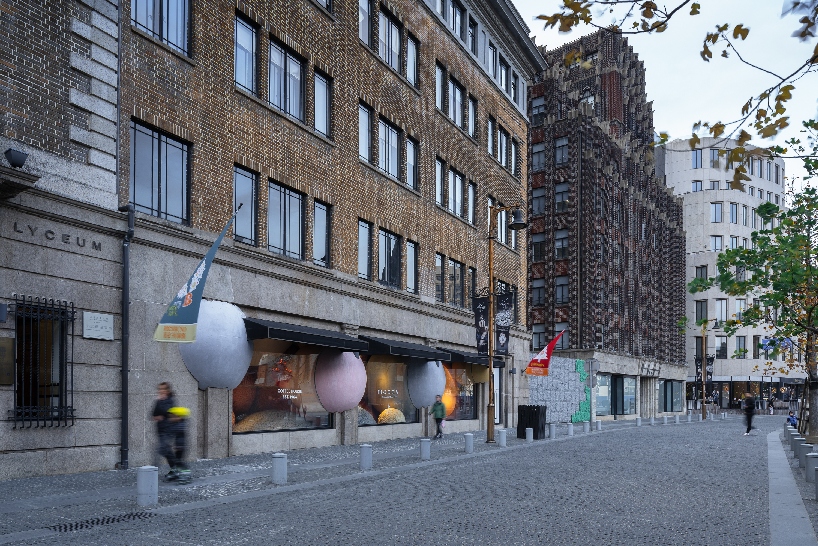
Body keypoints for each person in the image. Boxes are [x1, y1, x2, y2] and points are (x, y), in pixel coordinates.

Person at [152, 382, 191, 484]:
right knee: (165, 451)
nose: (161, 391)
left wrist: (164, 416)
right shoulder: (158, 401)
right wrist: (159, 411)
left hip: (168, 430)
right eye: (159, 389)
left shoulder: (170, 400)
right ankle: (175, 469)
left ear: (167, 390)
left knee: (162, 449)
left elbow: (170, 414)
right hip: (160, 430)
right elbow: (153, 414)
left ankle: (174, 469)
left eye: (163, 389)